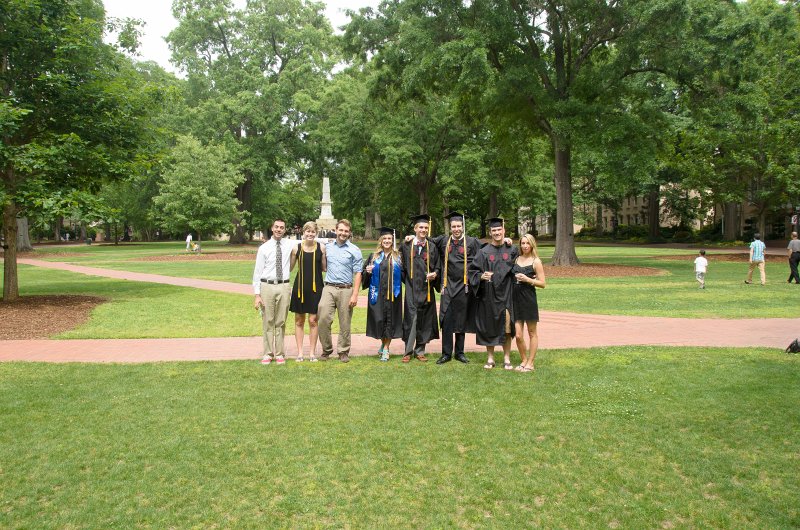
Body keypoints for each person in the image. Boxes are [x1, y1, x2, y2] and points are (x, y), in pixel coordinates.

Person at [468, 217, 519, 370]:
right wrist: (480, 276)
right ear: (490, 232)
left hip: (507, 295)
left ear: (504, 231)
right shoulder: (483, 252)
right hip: (488, 296)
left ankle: (507, 358)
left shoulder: (512, 249)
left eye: (499, 230)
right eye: (494, 230)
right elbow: (472, 271)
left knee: (507, 328)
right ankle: (490, 359)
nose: (497, 233)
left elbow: (524, 260)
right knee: (489, 326)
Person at [432, 212, 481, 364]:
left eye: (459, 226)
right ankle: (446, 353)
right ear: (450, 227)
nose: (456, 229)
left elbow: (486, 250)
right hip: (447, 286)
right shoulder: (443, 241)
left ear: (462, 226)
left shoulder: (471, 242)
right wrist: (411, 238)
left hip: (464, 287)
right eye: (453, 226)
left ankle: (459, 352)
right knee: (446, 319)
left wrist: (505, 240)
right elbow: (426, 240)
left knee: (461, 320)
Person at [252, 219, 297, 365]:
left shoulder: (289, 244)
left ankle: (279, 353)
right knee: (268, 321)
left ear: (285, 230)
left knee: (281, 321)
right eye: (276, 227)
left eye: (282, 228)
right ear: (272, 228)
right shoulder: (264, 248)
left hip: (284, 286)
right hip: (267, 286)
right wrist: (257, 295)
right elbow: (257, 272)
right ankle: (267, 353)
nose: (279, 229)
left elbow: (310, 241)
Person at [317, 219, 363, 363]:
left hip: (346, 289)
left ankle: (343, 351)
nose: (343, 233)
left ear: (349, 233)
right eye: (341, 230)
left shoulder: (354, 250)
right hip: (329, 287)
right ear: (336, 230)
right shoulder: (328, 247)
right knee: (323, 317)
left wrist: (355, 294)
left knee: (345, 322)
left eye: (346, 231)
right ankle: (326, 349)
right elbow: (322, 266)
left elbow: (358, 273)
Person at [400, 214, 441, 363]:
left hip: (427, 287)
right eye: (421, 227)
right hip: (411, 287)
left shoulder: (432, 246)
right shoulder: (406, 245)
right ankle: (407, 351)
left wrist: (435, 274)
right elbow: (401, 266)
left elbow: (438, 266)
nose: (423, 230)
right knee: (411, 318)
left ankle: (420, 350)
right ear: (415, 229)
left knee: (424, 318)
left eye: (426, 228)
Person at [362, 227, 404, 361]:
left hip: (393, 295)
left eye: (389, 239)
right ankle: (382, 344)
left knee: (390, 322)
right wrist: (367, 272)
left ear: (393, 241)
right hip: (377, 294)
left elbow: (404, 275)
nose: (387, 241)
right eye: (384, 239)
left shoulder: (398, 257)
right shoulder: (373, 257)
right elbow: (364, 274)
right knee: (380, 320)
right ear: (380, 241)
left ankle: (386, 349)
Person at [289, 221, 327, 362]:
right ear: (303, 233)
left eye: (312, 232)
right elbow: (290, 268)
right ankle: (300, 353)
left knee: (313, 320)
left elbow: (324, 268)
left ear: (315, 233)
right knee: (299, 320)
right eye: (307, 231)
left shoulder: (321, 248)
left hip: (316, 288)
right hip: (300, 287)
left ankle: (311, 353)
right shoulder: (296, 248)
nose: (310, 234)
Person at [513, 234, 546, 372]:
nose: (525, 246)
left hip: (529, 299)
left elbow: (543, 283)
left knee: (532, 332)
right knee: (518, 335)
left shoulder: (536, 261)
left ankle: (530, 363)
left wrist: (528, 280)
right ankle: (523, 360)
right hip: (515, 299)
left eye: (527, 243)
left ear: (532, 244)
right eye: (523, 243)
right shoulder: (516, 259)